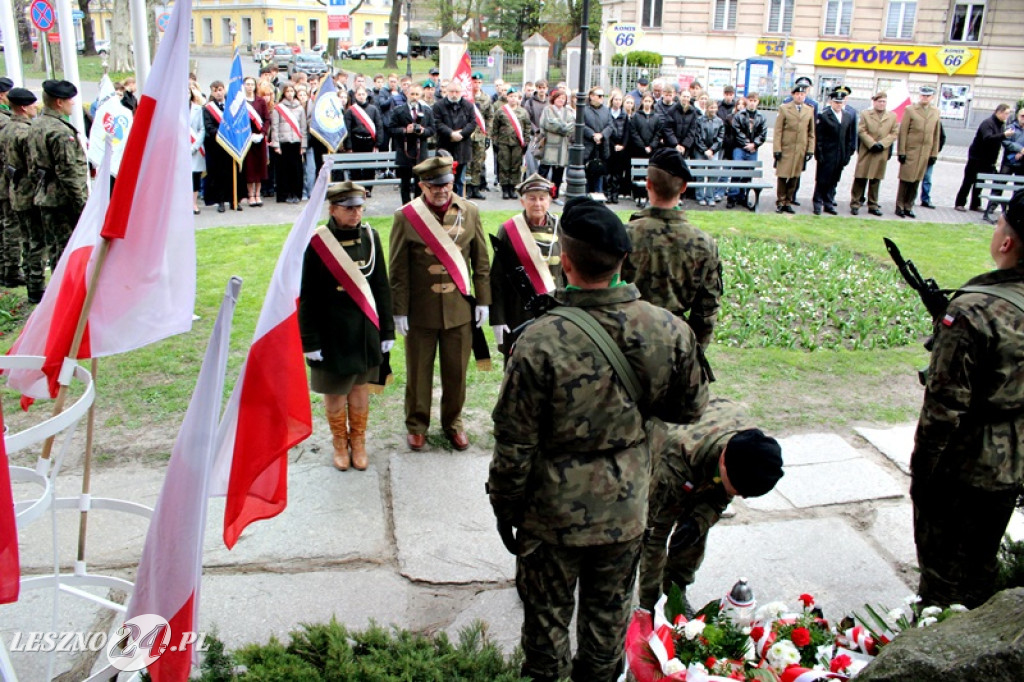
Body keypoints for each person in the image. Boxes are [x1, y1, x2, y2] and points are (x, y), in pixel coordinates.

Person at [488, 196, 710, 682]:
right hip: (625, 510)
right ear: (623, 260)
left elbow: (514, 443)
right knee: (606, 633)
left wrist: (506, 506)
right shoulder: (669, 329)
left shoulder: (538, 340)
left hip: (551, 516)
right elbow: (691, 408)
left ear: (564, 262)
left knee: (545, 637)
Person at [911, 188, 1024, 609]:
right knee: (981, 560)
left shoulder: (973, 311)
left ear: (1006, 242)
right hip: (1015, 457)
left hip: (966, 464)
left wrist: (923, 471)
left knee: (942, 576)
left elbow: (942, 409)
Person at [638, 398, 783, 612]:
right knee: (649, 536)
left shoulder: (749, 446)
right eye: (738, 490)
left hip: (703, 463)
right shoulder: (674, 465)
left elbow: (720, 495)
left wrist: (700, 519)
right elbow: (653, 537)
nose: (741, 498)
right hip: (662, 456)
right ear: (723, 462)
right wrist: (650, 605)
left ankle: (675, 592)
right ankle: (656, 604)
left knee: (694, 532)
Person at [389, 154, 491, 451]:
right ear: (422, 186)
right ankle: (416, 424)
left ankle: (453, 422)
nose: (442, 190)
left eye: (446, 184)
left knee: (456, 372)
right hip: (420, 310)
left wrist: (483, 301)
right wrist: (399, 311)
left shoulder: (469, 211)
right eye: (435, 186)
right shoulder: (406, 216)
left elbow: (481, 262)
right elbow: (398, 269)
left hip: (459, 309)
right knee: (418, 373)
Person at [299, 181, 394, 472]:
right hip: (330, 333)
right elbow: (308, 295)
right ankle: (340, 443)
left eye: (359, 207)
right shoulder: (317, 242)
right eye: (349, 208)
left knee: (360, 388)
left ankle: (359, 442)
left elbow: (381, 286)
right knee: (335, 391)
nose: (356, 213)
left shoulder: (370, 237)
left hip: (364, 330)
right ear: (332, 209)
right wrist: (310, 341)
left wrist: (387, 330)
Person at [623, 148, 722, 349]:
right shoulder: (703, 243)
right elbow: (706, 310)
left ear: (648, 184)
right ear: (684, 187)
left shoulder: (625, 235)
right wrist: (694, 353)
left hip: (627, 341)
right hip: (676, 344)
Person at [489, 173, 562, 357]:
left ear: (549, 201)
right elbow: (497, 278)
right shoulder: (509, 229)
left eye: (542, 198)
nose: (537, 203)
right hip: (519, 312)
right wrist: (498, 318)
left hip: (556, 309)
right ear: (522, 202)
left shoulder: (560, 227)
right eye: (532, 198)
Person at [29, 80, 88, 269]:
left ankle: (58, 285)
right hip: (63, 200)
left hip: (46, 195)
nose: (73, 103)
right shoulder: (60, 131)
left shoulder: (37, 124)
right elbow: (68, 172)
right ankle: (65, 286)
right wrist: (81, 204)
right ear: (59, 102)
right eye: (70, 99)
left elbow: (32, 165)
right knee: (67, 250)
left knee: (55, 248)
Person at [0, 88, 42, 301]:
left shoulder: (7, 127)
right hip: (28, 190)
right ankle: (35, 283)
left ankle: (18, 273)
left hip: (13, 188)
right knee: (35, 239)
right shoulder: (25, 132)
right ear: (24, 107)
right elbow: (33, 165)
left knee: (23, 236)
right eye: (33, 104)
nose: (36, 107)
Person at [955, 104, 1013, 212]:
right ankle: (960, 203)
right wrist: (1004, 135)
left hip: (988, 160)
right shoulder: (988, 123)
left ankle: (975, 204)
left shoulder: (1001, 125)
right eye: (1006, 113)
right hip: (976, 157)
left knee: (980, 182)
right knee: (968, 181)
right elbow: (988, 138)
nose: (1007, 116)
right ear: (999, 112)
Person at [851, 91, 899, 216]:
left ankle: (873, 204)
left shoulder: (892, 116)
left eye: (884, 101)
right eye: (879, 101)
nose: (882, 104)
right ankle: (855, 203)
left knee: (876, 179)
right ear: (874, 102)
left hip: (881, 152)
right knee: (860, 177)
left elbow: (894, 133)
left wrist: (883, 144)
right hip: (867, 150)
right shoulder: (866, 114)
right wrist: (872, 143)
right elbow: (861, 130)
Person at [896, 86, 941, 219]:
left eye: (928, 96)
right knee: (906, 179)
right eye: (923, 95)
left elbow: (936, 134)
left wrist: (934, 153)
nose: (925, 98)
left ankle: (909, 206)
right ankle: (900, 206)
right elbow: (903, 132)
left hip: (925, 152)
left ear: (932, 97)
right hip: (911, 150)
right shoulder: (910, 110)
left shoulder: (935, 111)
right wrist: (901, 151)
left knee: (916, 180)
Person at [811, 86, 856, 216]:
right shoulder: (824, 116)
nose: (838, 105)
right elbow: (819, 138)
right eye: (836, 102)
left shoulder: (847, 116)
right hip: (827, 154)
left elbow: (848, 138)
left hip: (840, 155)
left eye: (840, 102)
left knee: (834, 180)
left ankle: (828, 202)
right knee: (822, 180)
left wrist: (847, 155)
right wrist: (819, 154)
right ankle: (817, 202)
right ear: (831, 102)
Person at [388, 83, 435, 205]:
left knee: (420, 183)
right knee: (405, 183)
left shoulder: (427, 111)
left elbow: (432, 130)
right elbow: (391, 129)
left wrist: (423, 131)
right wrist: (405, 130)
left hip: (421, 153)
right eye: (412, 94)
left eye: (417, 94)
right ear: (407, 94)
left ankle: (418, 206)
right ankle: (406, 207)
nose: (414, 97)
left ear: (421, 95)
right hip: (405, 152)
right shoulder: (398, 111)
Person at [773, 84, 816, 213]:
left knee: (794, 177)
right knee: (782, 176)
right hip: (786, 148)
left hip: (800, 150)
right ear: (793, 95)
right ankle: (780, 201)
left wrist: (810, 149)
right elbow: (778, 131)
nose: (800, 96)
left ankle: (788, 201)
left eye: (802, 94)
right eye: (797, 94)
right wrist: (777, 149)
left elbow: (811, 132)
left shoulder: (809, 110)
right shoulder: (784, 108)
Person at [203, 80, 244, 211]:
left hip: (232, 145)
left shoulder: (231, 106)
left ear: (224, 90)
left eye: (220, 90)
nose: (218, 93)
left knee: (232, 173)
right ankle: (220, 201)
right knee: (219, 175)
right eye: (215, 91)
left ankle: (234, 200)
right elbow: (209, 126)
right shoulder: (208, 108)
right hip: (217, 146)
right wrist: (223, 133)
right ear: (212, 93)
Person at [432, 80, 477, 196]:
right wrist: (451, 133)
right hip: (445, 147)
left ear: (461, 92)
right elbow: (437, 123)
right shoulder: (438, 106)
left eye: (457, 91)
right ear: (446, 91)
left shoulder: (468, 106)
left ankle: (458, 202)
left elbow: (472, 123)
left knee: (460, 181)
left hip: (462, 148)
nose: (454, 94)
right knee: (444, 179)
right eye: (451, 91)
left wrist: (461, 134)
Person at [271, 83, 308, 204]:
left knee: (296, 171)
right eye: (287, 91)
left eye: (292, 91)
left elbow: (303, 128)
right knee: (284, 171)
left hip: (296, 142)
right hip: (284, 142)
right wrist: (276, 145)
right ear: (284, 93)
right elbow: (275, 127)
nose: (290, 93)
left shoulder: (300, 108)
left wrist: (303, 145)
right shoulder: (278, 108)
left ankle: (296, 194)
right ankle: (284, 194)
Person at [728, 93, 766, 209]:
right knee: (737, 171)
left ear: (758, 102)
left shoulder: (761, 117)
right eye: (750, 100)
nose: (752, 103)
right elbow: (737, 131)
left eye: (755, 101)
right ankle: (732, 196)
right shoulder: (739, 115)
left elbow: (763, 133)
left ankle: (743, 196)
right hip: (740, 148)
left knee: (748, 173)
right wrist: (746, 143)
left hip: (753, 149)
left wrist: (754, 144)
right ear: (747, 101)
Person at [538, 88, 575, 205]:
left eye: (563, 98)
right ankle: (540, 194)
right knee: (543, 172)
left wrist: (558, 125)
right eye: (559, 98)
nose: (561, 100)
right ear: (554, 99)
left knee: (558, 174)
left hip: (562, 147)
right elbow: (546, 124)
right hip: (549, 145)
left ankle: (554, 195)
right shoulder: (547, 110)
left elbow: (571, 127)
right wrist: (562, 127)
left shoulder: (568, 112)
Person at [493, 89, 530, 199]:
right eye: (511, 96)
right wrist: (495, 142)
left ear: (518, 98)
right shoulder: (500, 111)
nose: (513, 99)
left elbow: (527, 127)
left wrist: (526, 141)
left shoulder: (523, 112)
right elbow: (495, 128)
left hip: (518, 143)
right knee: (504, 166)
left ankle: (513, 188)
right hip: (503, 142)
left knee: (516, 166)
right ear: (507, 98)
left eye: (515, 96)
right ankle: (505, 189)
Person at [343, 85, 383, 188]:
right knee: (355, 168)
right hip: (356, 141)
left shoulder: (373, 109)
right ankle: (357, 189)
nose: (361, 96)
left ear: (366, 95)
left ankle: (368, 189)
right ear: (355, 96)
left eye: (363, 94)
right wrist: (349, 146)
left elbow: (379, 126)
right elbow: (347, 129)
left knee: (369, 168)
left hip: (370, 142)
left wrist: (377, 144)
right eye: (359, 94)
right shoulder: (350, 111)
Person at [0, 76, 19, 287]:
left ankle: (4, 269)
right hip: (6, 182)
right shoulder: (5, 122)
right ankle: (11, 271)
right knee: (10, 226)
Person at [242, 76, 270, 207]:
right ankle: (250, 195)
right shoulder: (241, 102)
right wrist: (246, 135)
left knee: (260, 167)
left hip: (259, 139)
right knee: (249, 168)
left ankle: (258, 194)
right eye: (247, 84)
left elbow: (266, 119)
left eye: (251, 84)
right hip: (247, 139)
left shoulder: (261, 101)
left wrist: (262, 133)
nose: (249, 87)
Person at [467, 72, 494, 199]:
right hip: (467, 134)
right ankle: (467, 188)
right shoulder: (466, 97)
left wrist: (487, 135)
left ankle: (475, 187)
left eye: (479, 82)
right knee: (468, 162)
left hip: (480, 134)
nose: (476, 85)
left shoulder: (486, 98)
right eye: (474, 82)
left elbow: (490, 117)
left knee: (478, 162)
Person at [693, 100, 724, 207]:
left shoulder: (720, 122)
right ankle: (700, 197)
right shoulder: (699, 120)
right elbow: (697, 137)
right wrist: (704, 150)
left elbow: (720, 138)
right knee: (700, 175)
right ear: (707, 108)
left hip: (713, 151)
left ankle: (710, 197)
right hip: (700, 151)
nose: (713, 110)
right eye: (711, 107)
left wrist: (712, 150)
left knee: (713, 175)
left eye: (715, 108)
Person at [582, 86, 612, 197]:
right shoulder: (584, 110)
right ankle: (586, 197)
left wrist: (602, 135)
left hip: (601, 147)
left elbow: (610, 126)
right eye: (599, 96)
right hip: (588, 147)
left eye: (603, 96)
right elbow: (581, 125)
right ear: (591, 96)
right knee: (587, 173)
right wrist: (592, 135)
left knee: (599, 172)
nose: (601, 98)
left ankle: (598, 195)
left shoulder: (606, 110)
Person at [606, 90, 631, 204]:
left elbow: (627, 131)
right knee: (608, 171)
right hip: (610, 146)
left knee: (618, 172)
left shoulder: (624, 115)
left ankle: (615, 194)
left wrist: (623, 145)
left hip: (621, 147)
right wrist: (613, 145)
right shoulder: (607, 113)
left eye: (620, 100)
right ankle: (608, 193)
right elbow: (607, 130)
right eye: (616, 99)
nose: (618, 102)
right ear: (612, 100)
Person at [189, 85, 206, 215]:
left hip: (195, 147)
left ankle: (193, 203)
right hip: (180, 149)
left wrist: (195, 146)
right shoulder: (174, 110)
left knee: (195, 177)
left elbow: (202, 128)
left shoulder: (198, 108)